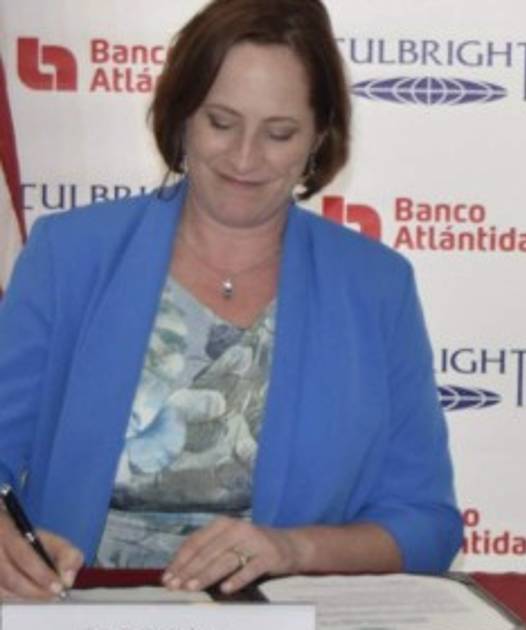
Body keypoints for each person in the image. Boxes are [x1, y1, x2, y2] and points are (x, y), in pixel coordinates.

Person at [0, 0, 460, 600]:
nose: (244, 158)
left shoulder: (377, 286)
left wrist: (293, 549)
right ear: (181, 116)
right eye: (221, 122)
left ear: (319, 136)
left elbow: (426, 525)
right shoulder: (69, 254)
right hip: (80, 603)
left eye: (279, 133)